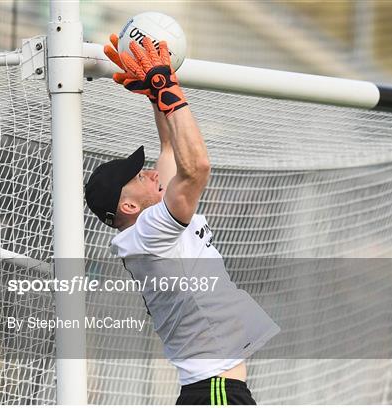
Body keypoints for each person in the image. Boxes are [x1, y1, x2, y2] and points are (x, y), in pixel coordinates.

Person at [85, 35, 280, 405]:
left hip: (212, 391)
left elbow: (171, 148)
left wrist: (154, 96)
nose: (152, 174)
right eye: (140, 176)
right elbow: (196, 168)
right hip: (216, 392)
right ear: (128, 207)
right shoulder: (149, 231)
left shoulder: (149, 227)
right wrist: (167, 88)